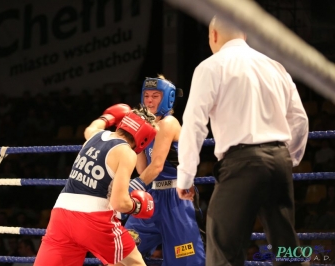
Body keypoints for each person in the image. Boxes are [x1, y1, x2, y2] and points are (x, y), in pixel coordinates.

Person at [176, 15, 309, 266]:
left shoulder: (211, 66)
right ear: (245, 34)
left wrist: (185, 176)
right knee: (286, 245)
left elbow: (194, 124)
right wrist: (288, 158)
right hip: (279, 161)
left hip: (242, 164)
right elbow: (300, 119)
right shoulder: (274, 66)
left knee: (222, 246)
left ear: (213, 35)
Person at [34, 104, 158, 266]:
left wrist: (107, 118)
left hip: (61, 216)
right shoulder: (126, 152)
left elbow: (90, 128)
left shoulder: (95, 135)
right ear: (144, 138)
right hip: (94, 220)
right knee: (133, 263)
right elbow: (119, 202)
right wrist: (137, 206)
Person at [123, 76, 206, 266]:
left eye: (155, 96)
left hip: (177, 198)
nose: (150, 100)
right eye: (146, 96)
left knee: (185, 262)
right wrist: (135, 138)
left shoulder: (169, 123)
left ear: (167, 98)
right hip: (151, 197)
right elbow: (143, 169)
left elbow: (157, 166)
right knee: (123, 251)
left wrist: (128, 188)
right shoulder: (147, 126)